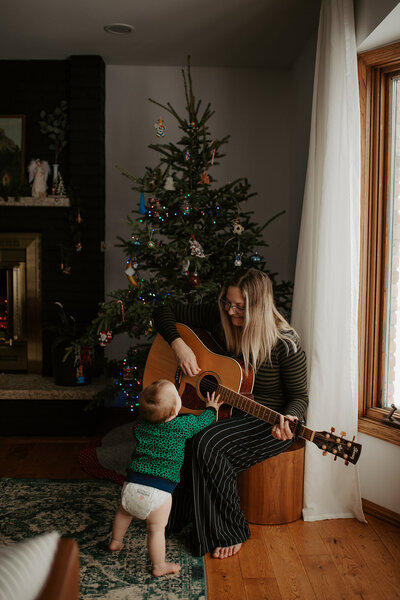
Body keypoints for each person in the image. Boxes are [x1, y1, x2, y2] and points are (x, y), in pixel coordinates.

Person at [152, 268, 308, 559]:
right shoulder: (220, 317)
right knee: (188, 433)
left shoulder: (287, 344)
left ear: (260, 306)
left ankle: (231, 528)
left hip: (269, 421)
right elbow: (163, 310)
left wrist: (291, 419)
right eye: (227, 302)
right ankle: (177, 515)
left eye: (240, 306)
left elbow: (299, 397)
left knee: (206, 443)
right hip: (227, 410)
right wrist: (179, 346)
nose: (231, 311)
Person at [109, 378, 222, 577]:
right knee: (156, 530)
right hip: (159, 491)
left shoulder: (141, 426)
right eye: (177, 397)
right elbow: (203, 421)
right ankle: (159, 566)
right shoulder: (181, 426)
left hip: (132, 484)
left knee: (124, 512)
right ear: (173, 412)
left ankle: (116, 541)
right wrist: (212, 408)